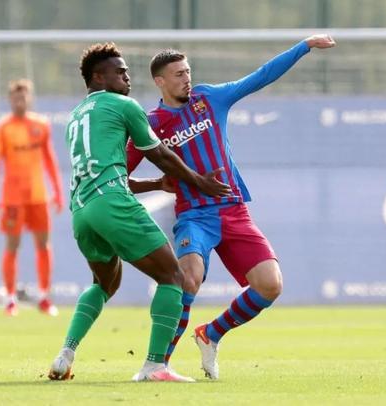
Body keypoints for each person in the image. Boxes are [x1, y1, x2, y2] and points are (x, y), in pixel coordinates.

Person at [126, 34, 336, 380]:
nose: (186, 78)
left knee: (270, 285)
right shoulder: (151, 124)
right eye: (178, 74)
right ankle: (158, 364)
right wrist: (153, 185)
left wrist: (304, 46)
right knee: (188, 278)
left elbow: (260, 76)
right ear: (159, 81)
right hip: (195, 215)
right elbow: (120, 173)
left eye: (188, 71)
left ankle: (211, 334)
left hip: (234, 210)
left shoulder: (209, 98)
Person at [47, 42, 232, 383]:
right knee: (173, 276)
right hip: (113, 204)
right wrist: (198, 182)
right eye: (120, 72)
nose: (127, 78)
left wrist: (156, 185)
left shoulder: (75, 117)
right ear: (98, 76)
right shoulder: (123, 105)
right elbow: (160, 153)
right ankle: (154, 366)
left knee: (104, 283)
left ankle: (65, 354)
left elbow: (112, 171)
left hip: (82, 210)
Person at [0, 79, 64, 317]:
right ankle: (10, 299)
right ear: (10, 100)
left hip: (38, 195)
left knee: (43, 245)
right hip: (12, 197)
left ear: (29, 99)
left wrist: (58, 191)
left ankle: (44, 297)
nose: (20, 101)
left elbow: (50, 159)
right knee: (13, 245)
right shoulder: (2, 128)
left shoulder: (41, 124)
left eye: (24, 97)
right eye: (16, 97)